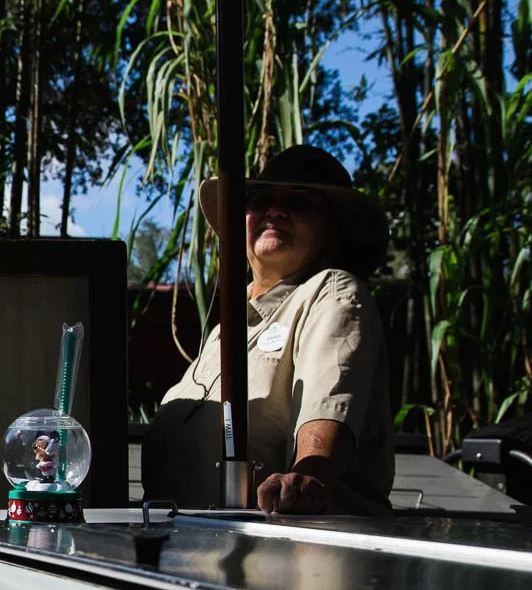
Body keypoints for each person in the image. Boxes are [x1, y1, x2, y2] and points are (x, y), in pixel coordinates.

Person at [141, 144, 394, 516]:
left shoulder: (331, 291)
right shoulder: (224, 332)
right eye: (260, 199)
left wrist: (309, 473)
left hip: (295, 552)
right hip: (196, 552)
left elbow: (330, 394)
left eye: (300, 202)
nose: (276, 210)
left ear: (333, 228)